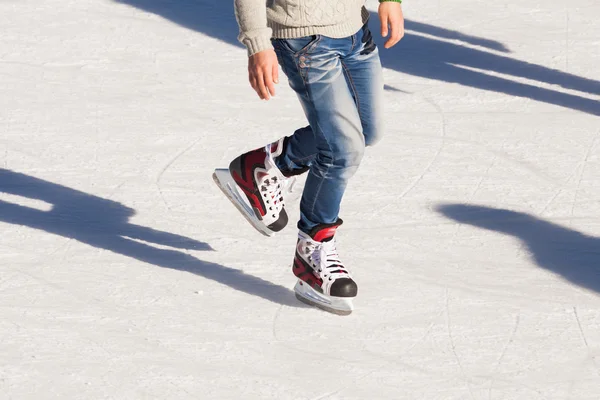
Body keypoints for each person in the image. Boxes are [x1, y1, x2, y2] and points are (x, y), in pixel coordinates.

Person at [226, 0, 405, 314]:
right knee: (342, 149)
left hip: (355, 30)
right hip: (303, 39)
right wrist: (257, 43)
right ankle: (312, 253)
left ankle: (265, 166)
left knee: (367, 132)